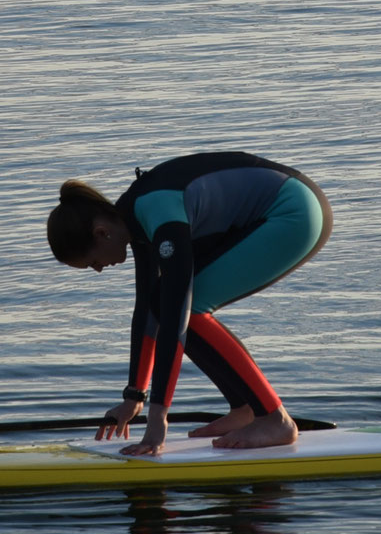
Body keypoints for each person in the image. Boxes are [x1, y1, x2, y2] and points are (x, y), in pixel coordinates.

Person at [48, 152, 332, 455]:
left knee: (188, 310)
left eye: (92, 262)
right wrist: (134, 396)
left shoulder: (157, 211)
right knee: (167, 304)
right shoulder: (135, 220)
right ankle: (245, 409)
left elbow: (176, 315)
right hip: (282, 209)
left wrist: (158, 419)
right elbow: (147, 311)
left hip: (294, 213)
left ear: (101, 233)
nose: (99, 269)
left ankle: (275, 419)